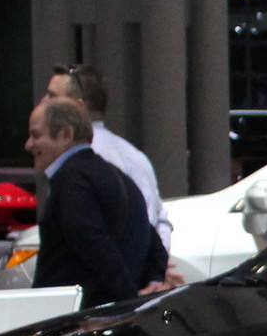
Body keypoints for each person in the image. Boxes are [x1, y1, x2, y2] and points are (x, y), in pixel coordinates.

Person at [24, 96, 169, 309]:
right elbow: (153, 242)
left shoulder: (71, 181)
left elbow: (94, 246)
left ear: (65, 134)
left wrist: (129, 298)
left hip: (74, 320)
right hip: (116, 317)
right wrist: (152, 284)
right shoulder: (119, 177)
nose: (28, 145)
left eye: (36, 135)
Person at [43, 63, 180, 284]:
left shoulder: (79, 166)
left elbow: (94, 242)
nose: (44, 104)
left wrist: (137, 282)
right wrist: (154, 274)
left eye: (52, 97)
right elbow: (157, 221)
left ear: (77, 107)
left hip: (103, 294)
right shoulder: (135, 156)